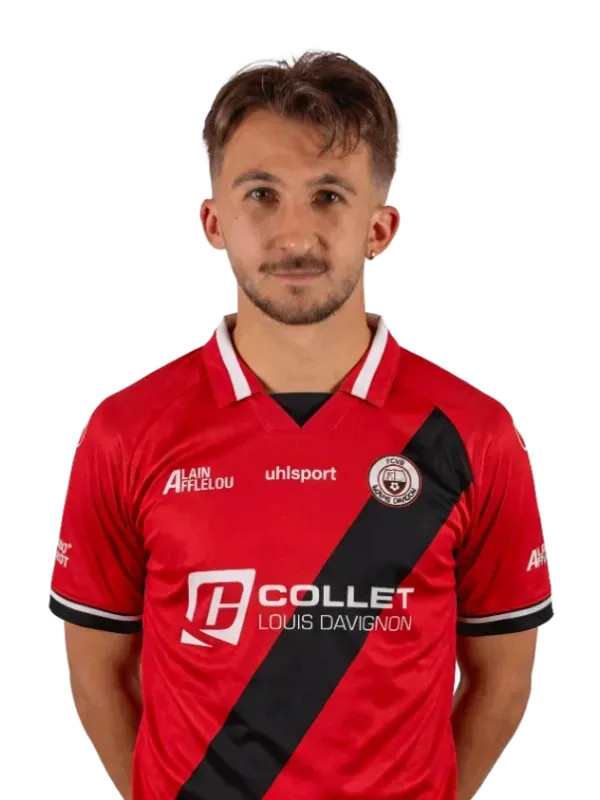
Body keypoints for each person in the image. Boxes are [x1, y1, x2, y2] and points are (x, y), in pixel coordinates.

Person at [49, 51, 553, 800]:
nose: (294, 236)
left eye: (328, 196)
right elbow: (96, 670)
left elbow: (503, 676)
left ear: (381, 227)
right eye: (262, 195)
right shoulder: (126, 431)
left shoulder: (473, 434)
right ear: (213, 221)